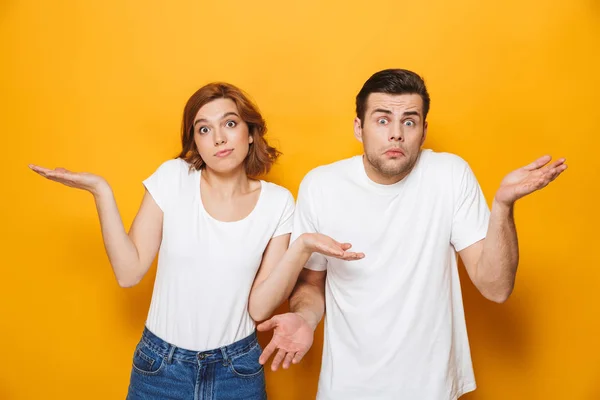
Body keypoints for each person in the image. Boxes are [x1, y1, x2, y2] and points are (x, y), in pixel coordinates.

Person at [29, 82, 363, 400]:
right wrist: (100, 190)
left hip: (238, 370)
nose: (218, 138)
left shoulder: (278, 203)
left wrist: (302, 246)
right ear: (196, 142)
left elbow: (259, 308)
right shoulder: (174, 178)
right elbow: (128, 273)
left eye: (229, 123)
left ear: (250, 133)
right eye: (204, 129)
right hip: (160, 368)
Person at [257, 69, 567, 399]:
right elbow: (310, 285)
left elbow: (496, 287)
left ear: (423, 130)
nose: (396, 134)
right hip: (347, 388)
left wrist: (503, 207)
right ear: (359, 128)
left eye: (409, 121)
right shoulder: (321, 186)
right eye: (382, 120)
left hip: (431, 389)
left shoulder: (449, 175)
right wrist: (305, 318)